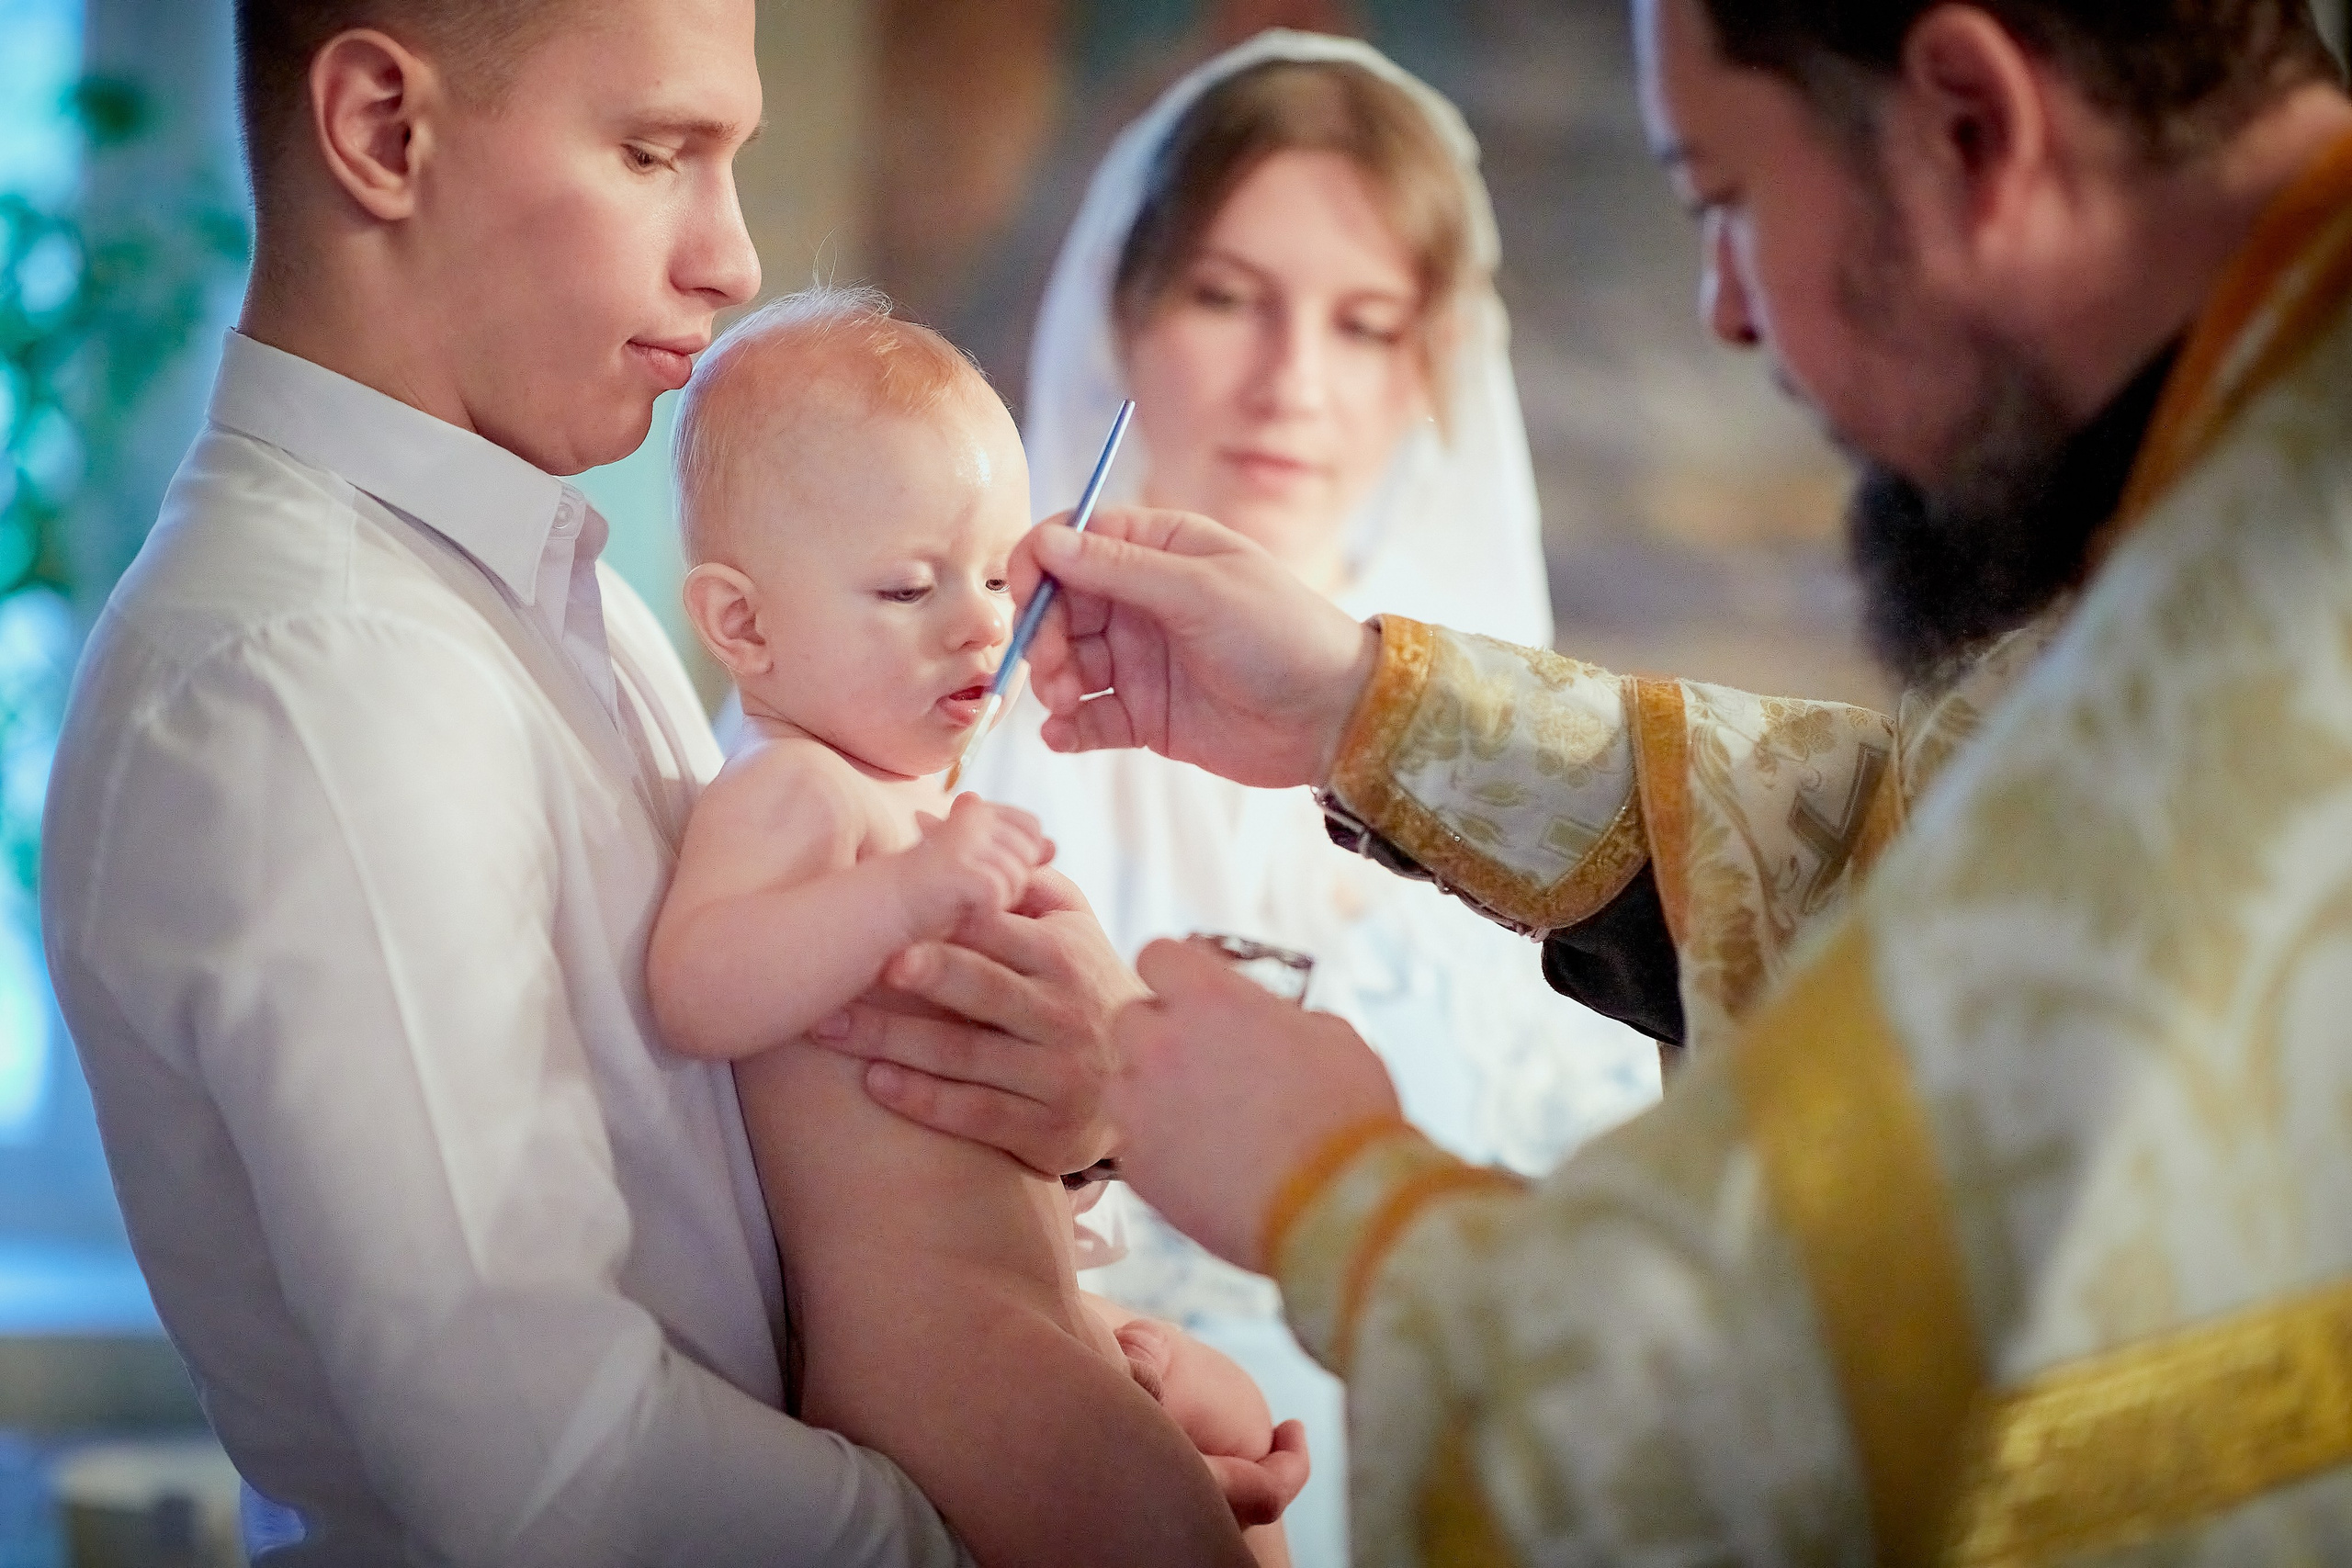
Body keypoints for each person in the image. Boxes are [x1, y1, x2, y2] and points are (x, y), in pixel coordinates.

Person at [833, 0, 2352, 1559]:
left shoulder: (2285, 585)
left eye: (1725, 201)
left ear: (1972, 125)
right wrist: (1367, 705)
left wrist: (1328, 1190)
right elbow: (1904, 836)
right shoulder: (2262, 450)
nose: (1725, 313)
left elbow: (1785, 1413)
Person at [38, 4, 1305, 1562]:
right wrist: (1007, 1537)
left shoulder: (560, 593)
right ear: (382, 130)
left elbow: (750, 1176)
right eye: (655, 152)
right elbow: (552, 1467)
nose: (735, 260)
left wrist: (1059, 1339)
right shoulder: (305, 676)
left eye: (731, 159)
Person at [966, 39, 1658, 1556]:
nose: (1295, 385)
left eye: (1365, 323)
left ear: (1432, 361)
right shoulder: (953, 720)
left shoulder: (1534, 767)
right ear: (1125, 311)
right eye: (1227, 298)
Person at [646, 288, 1288, 1568]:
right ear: (743, 626)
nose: (984, 621)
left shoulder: (920, 809)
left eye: (1000, 576)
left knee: (1234, 1428)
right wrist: (905, 892)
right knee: (1167, 1529)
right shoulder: (791, 792)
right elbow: (696, 990)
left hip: (1039, 1301)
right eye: (906, 585)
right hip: (929, 1353)